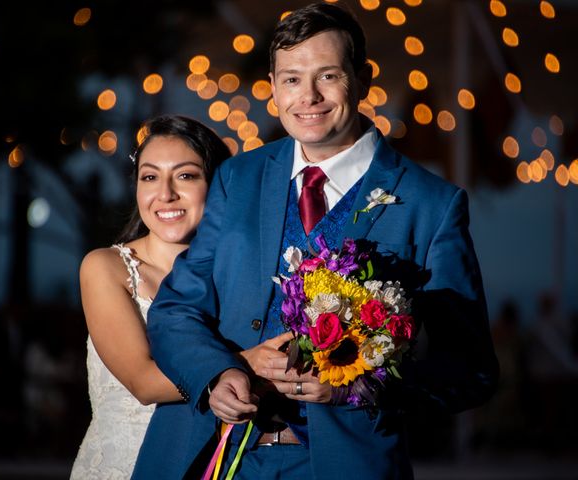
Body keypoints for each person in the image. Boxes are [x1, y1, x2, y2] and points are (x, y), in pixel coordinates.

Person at [133, 4, 498, 479]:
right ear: (273, 84)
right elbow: (176, 309)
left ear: (362, 78)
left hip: (345, 464)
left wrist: (357, 386)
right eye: (290, 79)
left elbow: (470, 371)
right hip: (214, 456)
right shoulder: (236, 178)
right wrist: (217, 374)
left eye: (327, 76)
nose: (307, 97)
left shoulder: (430, 204)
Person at [70, 115, 231, 479]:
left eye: (186, 175)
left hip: (209, 465)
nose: (166, 193)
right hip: (123, 465)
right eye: (150, 177)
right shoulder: (106, 267)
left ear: (216, 184)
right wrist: (248, 365)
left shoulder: (235, 276)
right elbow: (143, 382)